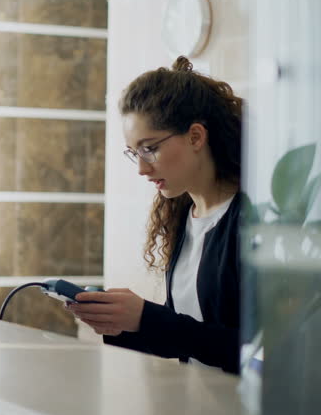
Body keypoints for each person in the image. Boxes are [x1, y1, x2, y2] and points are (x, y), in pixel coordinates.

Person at [67, 56, 245, 374]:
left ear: (195, 137)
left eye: (150, 148)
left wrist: (146, 318)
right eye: (134, 153)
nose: (141, 168)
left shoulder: (247, 221)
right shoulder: (185, 218)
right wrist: (122, 324)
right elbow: (189, 335)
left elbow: (257, 352)